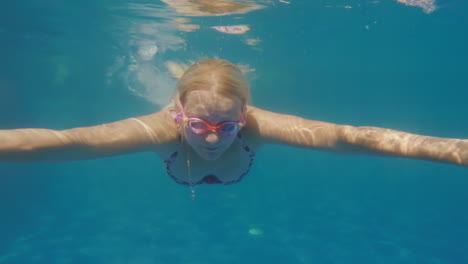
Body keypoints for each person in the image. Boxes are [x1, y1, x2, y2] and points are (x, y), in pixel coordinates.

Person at [1, 59, 467, 198]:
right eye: (199, 123)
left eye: (226, 126)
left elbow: (352, 136)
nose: (209, 136)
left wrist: (456, 150)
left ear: (244, 117)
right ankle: (156, 66)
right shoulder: (159, 128)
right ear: (179, 114)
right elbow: (67, 142)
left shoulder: (259, 125)